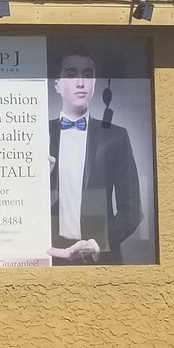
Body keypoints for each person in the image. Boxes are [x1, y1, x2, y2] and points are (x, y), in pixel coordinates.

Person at [49, 50, 141, 264]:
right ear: (57, 86)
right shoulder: (38, 135)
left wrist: (97, 244)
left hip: (102, 259)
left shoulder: (116, 136)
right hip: (51, 258)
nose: (81, 82)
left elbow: (133, 210)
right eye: (71, 75)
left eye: (88, 74)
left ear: (94, 84)